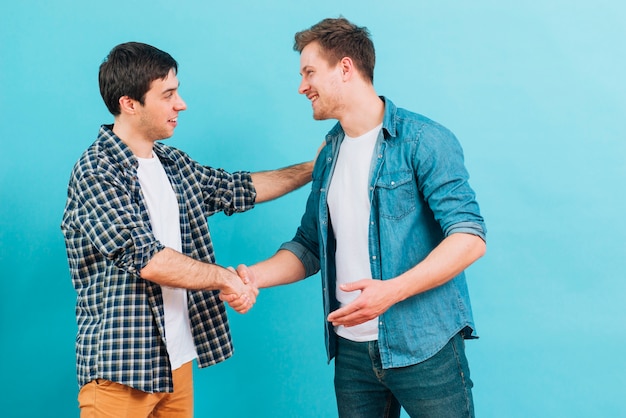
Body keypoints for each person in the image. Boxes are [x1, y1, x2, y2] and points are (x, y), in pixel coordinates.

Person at [228, 17, 487, 417]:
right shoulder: (329, 152)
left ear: (345, 68)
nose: (302, 87)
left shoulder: (422, 140)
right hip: (351, 353)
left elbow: (469, 237)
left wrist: (391, 291)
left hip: (426, 347)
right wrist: (252, 278)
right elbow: (309, 245)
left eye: (309, 72)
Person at [61, 41, 313, 417]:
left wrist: (316, 166)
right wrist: (224, 279)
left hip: (175, 364)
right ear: (130, 103)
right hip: (121, 370)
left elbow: (240, 188)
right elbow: (147, 260)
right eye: (168, 94)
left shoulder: (173, 164)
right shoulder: (97, 171)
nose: (181, 104)